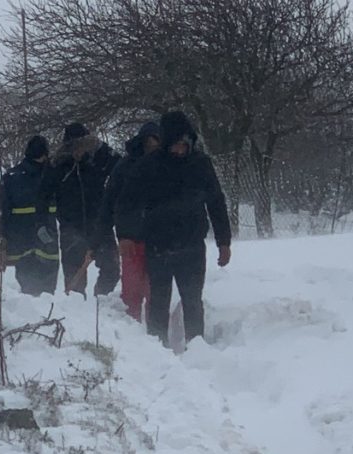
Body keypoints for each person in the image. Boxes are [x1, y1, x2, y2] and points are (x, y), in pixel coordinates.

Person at [118, 111, 231, 347]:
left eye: (184, 145)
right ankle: (157, 348)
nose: (180, 150)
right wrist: (126, 235)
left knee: (192, 300)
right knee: (158, 301)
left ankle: (196, 346)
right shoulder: (148, 166)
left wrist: (224, 241)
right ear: (166, 143)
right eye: (175, 146)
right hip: (159, 245)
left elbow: (216, 202)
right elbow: (127, 202)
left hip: (192, 245)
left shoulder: (201, 164)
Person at [37, 123, 121, 295]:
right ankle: (78, 315)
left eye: (83, 145)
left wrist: (100, 146)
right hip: (71, 228)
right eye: (74, 146)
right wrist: (44, 223)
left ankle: (101, 302)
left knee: (111, 269)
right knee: (74, 280)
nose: (79, 150)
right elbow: (43, 196)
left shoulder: (97, 160)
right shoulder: (58, 166)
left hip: (100, 226)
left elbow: (120, 165)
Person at [91, 121, 161, 322]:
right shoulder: (125, 167)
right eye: (149, 143)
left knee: (155, 289)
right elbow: (109, 203)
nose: (152, 148)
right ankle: (134, 329)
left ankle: (156, 330)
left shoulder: (165, 165)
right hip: (130, 238)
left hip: (160, 238)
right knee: (132, 288)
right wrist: (99, 238)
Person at [0, 135, 59, 295]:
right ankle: (46, 312)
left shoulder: (11, 176)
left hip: (21, 239)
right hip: (47, 236)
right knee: (47, 288)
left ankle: (31, 311)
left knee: (28, 286)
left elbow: (1, 209)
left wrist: (3, 237)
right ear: (44, 154)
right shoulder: (52, 175)